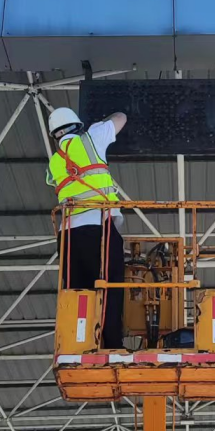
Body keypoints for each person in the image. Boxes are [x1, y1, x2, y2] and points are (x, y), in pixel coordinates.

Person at [46, 106, 128, 350]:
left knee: (77, 290)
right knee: (109, 286)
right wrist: (101, 122)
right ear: (78, 126)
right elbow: (120, 117)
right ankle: (111, 345)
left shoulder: (55, 162)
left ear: (55, 135)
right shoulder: (91, 138)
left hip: (67, 235)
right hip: (98, 228)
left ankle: (79, 343)